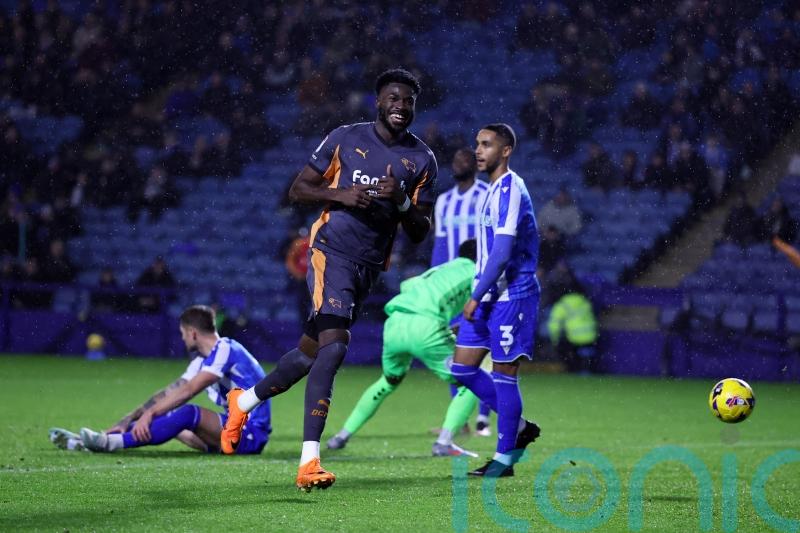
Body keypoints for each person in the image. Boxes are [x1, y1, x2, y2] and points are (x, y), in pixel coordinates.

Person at [221, 68, 437, 492]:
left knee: (308, 354)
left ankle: (241, 401)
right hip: (329, 252)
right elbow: (298, 190)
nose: (400, 105)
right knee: (335, 348)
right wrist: (339, 195)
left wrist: (400, 201)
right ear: (378, 102)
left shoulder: (423, 159)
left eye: (408, 100)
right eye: (393, 98)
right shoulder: (346, 137)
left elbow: (420, 230)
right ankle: (309, 461)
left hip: (369, 265)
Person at [326, 240, 481, 457]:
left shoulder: (439, 270)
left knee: (388, 381)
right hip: (426, 326)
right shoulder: (476, 272)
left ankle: (340, 436)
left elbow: (408, 285)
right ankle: (444, 442)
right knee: (471, 382)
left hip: (395, 323)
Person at [48, 305, 272, 454]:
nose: (183, 339)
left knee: (188, 413)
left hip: (251, 432)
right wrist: (127, 419)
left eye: (183, 334)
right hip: (232, 430)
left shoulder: (225, 348)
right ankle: (99, 439)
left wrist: (150, 414)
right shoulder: (205, 360)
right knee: (171, 416)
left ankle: (110, 444)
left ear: (193, 333)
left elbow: (189, 391)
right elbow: (168, 394)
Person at [450, 124, 541, 478]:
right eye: (477, 144)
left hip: (512, 296)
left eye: (486, 145)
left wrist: (473, 298)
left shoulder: (512, 189)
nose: (478, 150)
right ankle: (518, 427)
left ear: (505, 151)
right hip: (488, 295)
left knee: (504, 375)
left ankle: (504, 460)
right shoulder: (489, 190)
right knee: (461, 368)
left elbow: (502, 253)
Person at [431, 147, 493, 436]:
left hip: (480, 284)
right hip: (453, 288)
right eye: (454, 159)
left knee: (479, 349)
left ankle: (483, 417)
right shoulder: (443, 202)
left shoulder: (486, 195)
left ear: (475, 165)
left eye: (464, 159)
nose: (458, 163)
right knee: (452, 352)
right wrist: (435, 280)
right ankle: (462, 421)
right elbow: (441, 246)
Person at [548, 288, 598, 373]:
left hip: (574, 337)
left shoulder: (562, 304)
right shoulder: (583, 300)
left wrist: (554, 339)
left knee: (570, 355)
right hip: (591, 335)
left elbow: (554, 324)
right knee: (588, 355)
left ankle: (574, 371)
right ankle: (587, 371)